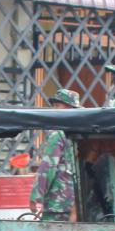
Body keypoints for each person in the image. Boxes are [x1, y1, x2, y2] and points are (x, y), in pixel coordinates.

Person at [28, 88, 80, 221]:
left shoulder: (57, 134)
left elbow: (47, 167)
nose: (54, 110)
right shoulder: (80, 133)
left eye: (57, 106)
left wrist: (35, 196)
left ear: (69, 108)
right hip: (78, 202)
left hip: (57, 203)